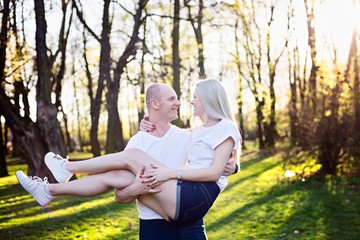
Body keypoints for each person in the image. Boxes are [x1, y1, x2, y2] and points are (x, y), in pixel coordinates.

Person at [16, 79, 241, 238]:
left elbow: (217, 163)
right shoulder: (183, 134)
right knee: (118, 174)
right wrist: (136, 187)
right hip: (161, 216)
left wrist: (233, 166)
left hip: (190, 204)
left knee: (130, 158)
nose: (185, 102)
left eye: (193, 97)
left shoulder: (195, 134)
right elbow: (120, 196)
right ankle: (48, 191)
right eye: (173, 98)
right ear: (155, 104)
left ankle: (66, 166)